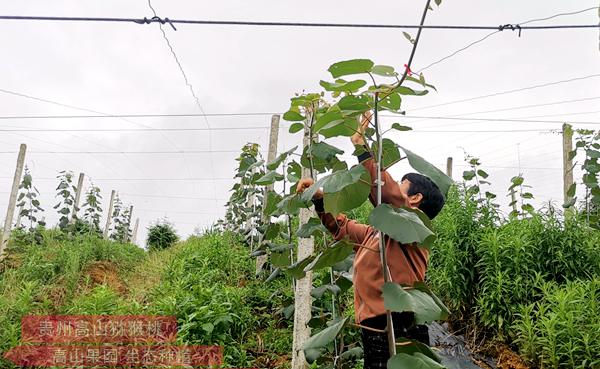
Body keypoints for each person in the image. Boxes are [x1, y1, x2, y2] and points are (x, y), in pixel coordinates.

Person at [295, 112, 445, 369]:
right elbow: (342, 228)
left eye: (401, 183)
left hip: (401, 321)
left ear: (415, 199)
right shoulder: (378, 233)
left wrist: (361, 146)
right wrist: (320, 198)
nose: (394, 185)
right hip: (374, 323)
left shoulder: (416, 227)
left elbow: (385, 194)